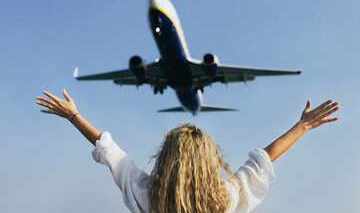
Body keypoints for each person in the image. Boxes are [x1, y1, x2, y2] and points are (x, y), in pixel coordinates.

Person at [36, 89, 339, 213]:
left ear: (166, 159)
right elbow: (262, 159)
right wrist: (302, 127)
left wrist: (73, 116)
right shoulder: (228, 196)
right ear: (210, 160)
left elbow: (110, 151)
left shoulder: (148, 194)